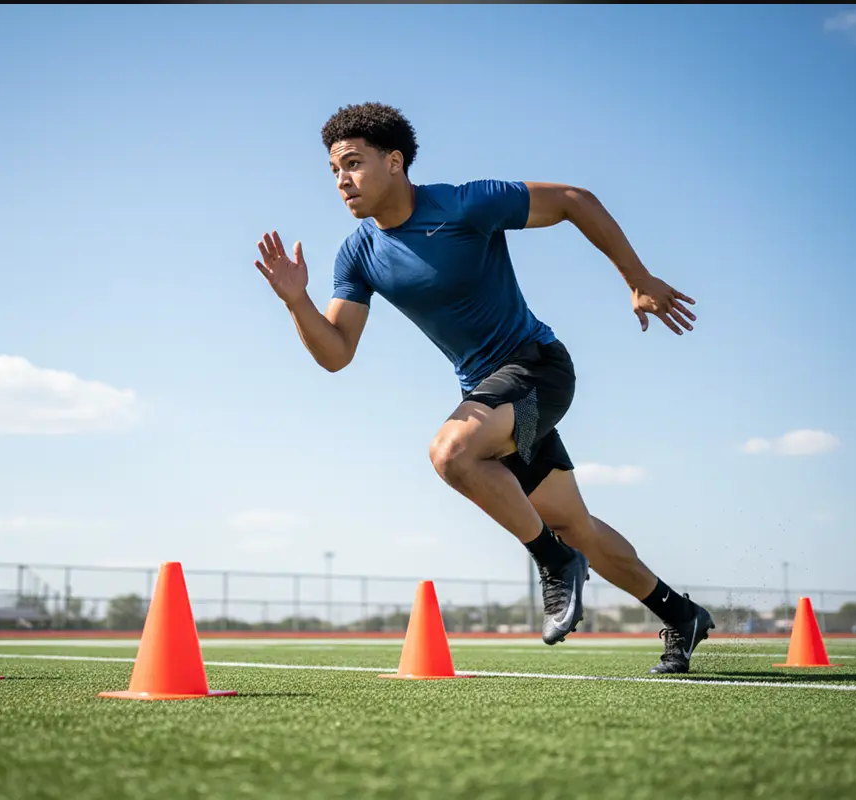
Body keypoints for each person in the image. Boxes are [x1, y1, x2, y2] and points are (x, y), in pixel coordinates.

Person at [253, 102, 715, 674]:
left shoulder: (464, 204)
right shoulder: (359, 253)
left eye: (352, 163)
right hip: (494, 396)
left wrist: (637, 278)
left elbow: (575, 200)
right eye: (333, 170)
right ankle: (680, 614)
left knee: (451, 453)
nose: (342, 180)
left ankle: (553, 562)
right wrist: (296, 301)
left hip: (538, 369)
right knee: (576, 526)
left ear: (394, 162)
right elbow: (336, 353)